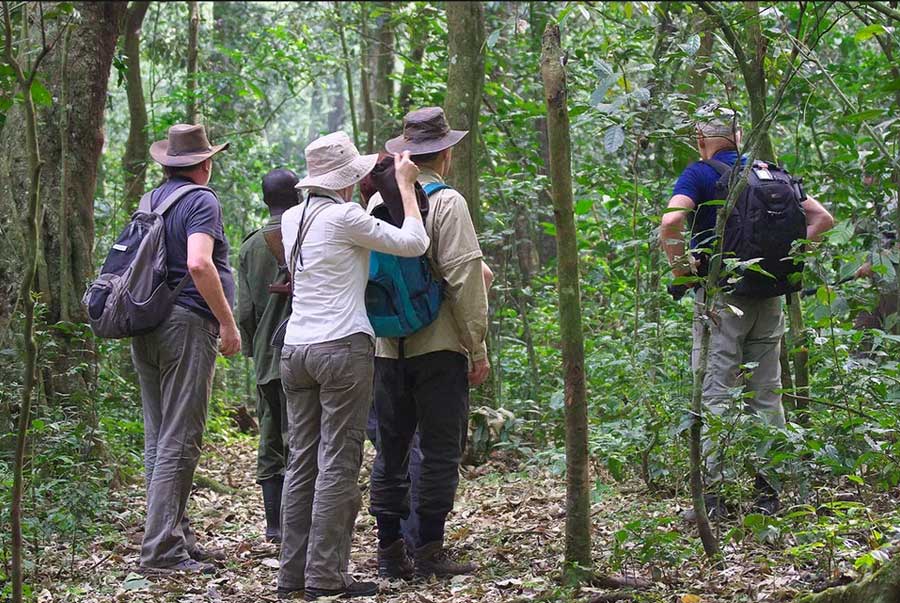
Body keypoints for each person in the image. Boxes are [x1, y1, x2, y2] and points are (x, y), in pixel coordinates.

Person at [659, 107, 834, 519]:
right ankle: (768, 493)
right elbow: (822, 218)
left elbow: (670, 223)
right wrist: (780, 259)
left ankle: (717, 499)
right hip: (769, 297)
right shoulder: (769, 172)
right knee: (767, 394)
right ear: (737, 137)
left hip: (722, 298)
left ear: (702, 142)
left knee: (717, 392)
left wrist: (684, 273)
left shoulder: (700, 174)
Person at [277, 131, 429, 600]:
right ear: (348, 179)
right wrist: (404, 185)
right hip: (341, 348)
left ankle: (291, 576)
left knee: (302, 461)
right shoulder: (344, 216)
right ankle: (325, 576)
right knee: (338, 463)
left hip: (295, 350)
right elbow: (415, 242)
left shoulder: (290, 218)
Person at [368, 107, 490, 579]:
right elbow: (464, 278)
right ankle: (430, 550)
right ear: (447, 153)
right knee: (439, 448)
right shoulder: (448, 202)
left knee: (391, 449)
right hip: (438, 347)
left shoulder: (375, 205)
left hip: (385, 347)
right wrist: (475, 346)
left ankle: (389, 551)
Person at [132, 123, 240, 574]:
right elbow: (199, 262)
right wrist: (227, 322)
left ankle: (172, 534)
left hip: (147, 323)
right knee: (180, 437)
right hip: (185, 326)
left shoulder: (151, 200)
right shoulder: (201, 199)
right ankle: (161, 550)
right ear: (205, 163)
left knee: (161, 435)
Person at [237, 169, 300, 544]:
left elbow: (244, 312)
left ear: (265, 201)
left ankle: (274, 526)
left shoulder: (249, 246)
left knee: (270, 436)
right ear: (298, 197)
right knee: (304, 437)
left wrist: (252, 348)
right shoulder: (307, 232)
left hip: (267, 356)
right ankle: (298, 522)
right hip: (305, 348)